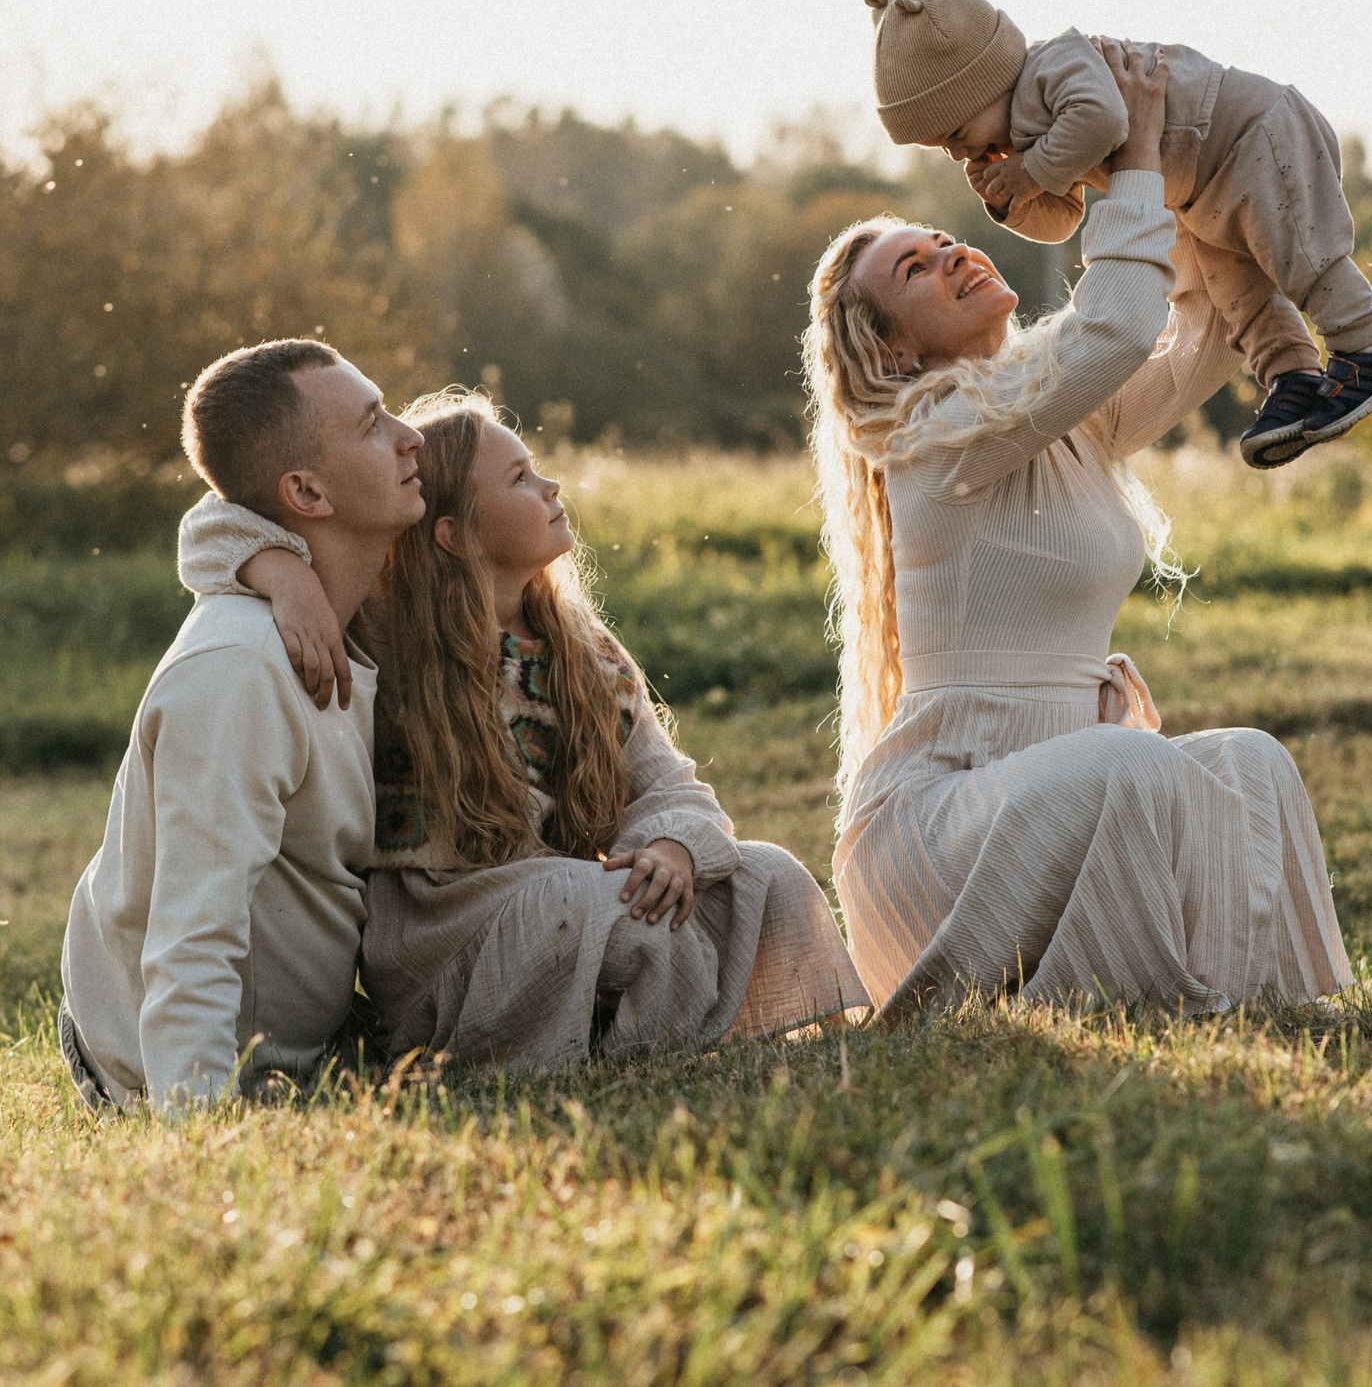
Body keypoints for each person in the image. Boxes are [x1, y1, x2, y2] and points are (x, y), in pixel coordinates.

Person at [806, 39, 1355, 1024]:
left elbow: (1201, 327)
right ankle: (1151, 1002)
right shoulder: (932, 435)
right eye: (918, 270)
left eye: (946, 239)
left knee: (1248, 760)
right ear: (891, 348)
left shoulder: (1056, 411)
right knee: (1133, 760)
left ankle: (1256, 1001)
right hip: (935, 832)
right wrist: (1133, 154)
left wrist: (1190, 172)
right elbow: (1113, 323)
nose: (956, 254)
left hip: (1055, 797)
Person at [185, 391, 869, 1072]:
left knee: (767, 874)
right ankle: (636, 1050)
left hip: (563, 895)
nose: (552, 486)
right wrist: (286, 576)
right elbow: (211, 525)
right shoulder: (387, 626)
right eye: (519, 478)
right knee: (589, 903)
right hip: (445, 927)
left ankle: (667, 1025)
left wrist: (670, 846)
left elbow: (669, 780)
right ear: (454, 532)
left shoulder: (581, 647)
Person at [57, 339, 424, 1113]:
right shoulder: (240, 670)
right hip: (164, 1064)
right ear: (307, 491)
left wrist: (272, 559)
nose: (409, 435)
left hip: (313, 1038)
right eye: (370, 426)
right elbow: (193, 931)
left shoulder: (362, 608)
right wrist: (194, 1130)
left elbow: (219, 510)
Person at [863, 0, 1372, 469]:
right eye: (946, 148)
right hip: (1200, 192)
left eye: (956, 132)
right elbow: (1064, 220)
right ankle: (1292, 377)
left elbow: (1102, 119)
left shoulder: (1054, 65)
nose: (960, 152)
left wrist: (1028, 170)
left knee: (1303, 255)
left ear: (983, 81)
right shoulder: (1031, 138)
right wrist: (1012, 200)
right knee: (1238, 295)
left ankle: (1365, 349)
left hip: (1252, 134)